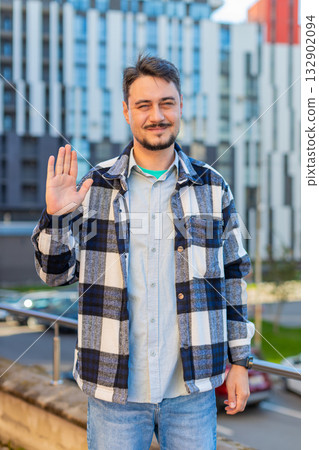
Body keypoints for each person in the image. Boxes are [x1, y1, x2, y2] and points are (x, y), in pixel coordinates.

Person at [31, 55, 255, 450]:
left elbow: (234, 276)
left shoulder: (212, 187)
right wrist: (56, 217)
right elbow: (55, 273)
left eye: (166, 103)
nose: (157, 115)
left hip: (192, 390)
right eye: (144, 105)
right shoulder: (93, 186)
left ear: (181, 106)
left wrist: (240, 362)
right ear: (126, 111)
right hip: (113, 393)